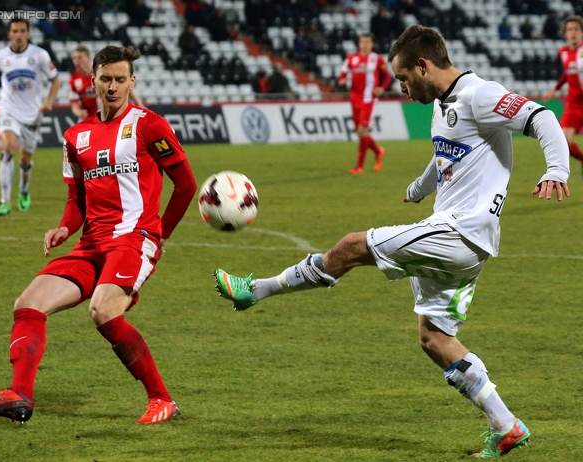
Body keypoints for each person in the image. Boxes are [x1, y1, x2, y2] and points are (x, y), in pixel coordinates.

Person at [214, 25, 570, 458]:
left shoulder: (479, 94)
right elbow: (446, 153)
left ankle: (258, 290)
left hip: (460, 231)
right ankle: (505, 424)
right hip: (465, 241)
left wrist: (557, 169)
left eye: (404, 79)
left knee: (350, 247)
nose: (401, 89)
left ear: (423, 65)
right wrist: (422, 185)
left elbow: (542, 117)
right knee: (435, 339)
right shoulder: (443, 103)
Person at [0, 45, 197, 425]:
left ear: (131, 82)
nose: (113, 86)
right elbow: (77, 199)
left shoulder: (149, 124)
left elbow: (185, 185)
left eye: (121, 79)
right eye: (106, 79)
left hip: (134, 239)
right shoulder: (76, 135)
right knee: (28, 303)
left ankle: (162, 399)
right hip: (91, 244)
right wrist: (64, 228)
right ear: (93, 81)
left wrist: (158, 235)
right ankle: (19, 395)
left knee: (102, 310)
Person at [0, 18, 60, 216]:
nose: (19, 34)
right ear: (9, 34)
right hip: (8, 108)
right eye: (15, 31)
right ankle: (4, 200)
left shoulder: (39, 55)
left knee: (25, 158)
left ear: (28, 34)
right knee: (7, 147)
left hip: (32, 113)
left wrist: (48, 101)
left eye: (23, 31)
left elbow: (55, 80)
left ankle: (23, 189)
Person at [338, 33, 392, 175]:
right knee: (360, 133)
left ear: (372, 44)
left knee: (362, 131)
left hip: (369, 99)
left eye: (367, 42)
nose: (364, 44)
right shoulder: (351, 58)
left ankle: (359, 166)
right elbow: (342, 74)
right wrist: (342, 80)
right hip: (354, 98)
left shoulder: (377, 59)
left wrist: (382, 88)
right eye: (362, 42)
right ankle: (378, 151)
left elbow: (386, 76)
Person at [543, 15, 583, 175]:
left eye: (576, 29)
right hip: (574, 104)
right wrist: (555, 89)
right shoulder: (563, 52)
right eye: (569, 30)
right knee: (563, 141)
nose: (573, 33)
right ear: (565, 34)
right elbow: (568, 73)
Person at [69, 45, 144, 121]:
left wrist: (139, 104)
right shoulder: (73, 80)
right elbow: (74, 105)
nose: (76, 61)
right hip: (88, 120)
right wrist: (79, 112)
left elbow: (123, 86)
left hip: (106, 117)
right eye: (74, 58)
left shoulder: (101, 72)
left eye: (80, 57)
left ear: (88, 58)